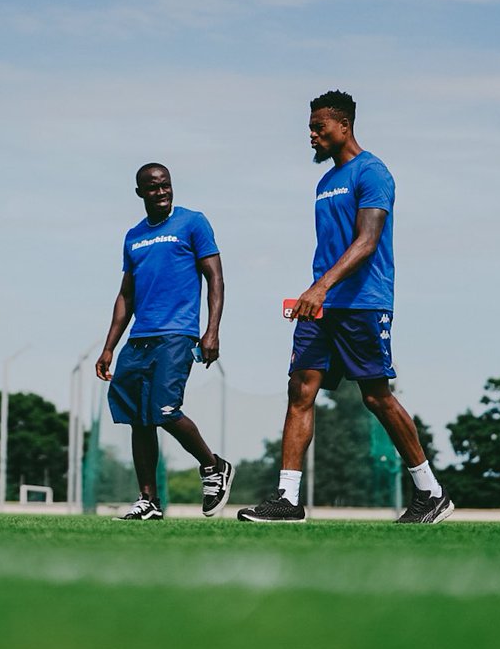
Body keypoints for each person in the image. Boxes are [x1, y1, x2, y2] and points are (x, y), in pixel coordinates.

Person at [238, 90, 453, 524]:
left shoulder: (372, 172)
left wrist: (319, 286)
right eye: (310, 129)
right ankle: (288, 499)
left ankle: (431, 493)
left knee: (376, 397)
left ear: (344, 126)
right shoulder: (323, 182)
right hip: (322, 305)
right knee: (300, 389)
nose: (312, 136)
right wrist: (318, 293)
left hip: (362, 302)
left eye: (319, 128)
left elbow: (367, 242)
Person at [96, 163, 234, 520]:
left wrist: (212, 330)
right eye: (153, 188)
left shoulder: (193, 223)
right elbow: (126, 295)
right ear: (140, 192)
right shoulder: (134, 237)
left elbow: (215, 278)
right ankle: (149, 501)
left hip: (178, 333)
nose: (161, 192)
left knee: (164, 410)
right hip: (140, 338)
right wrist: (109, 346)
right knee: (138, 419)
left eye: (165, 186)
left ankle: (213, 466)